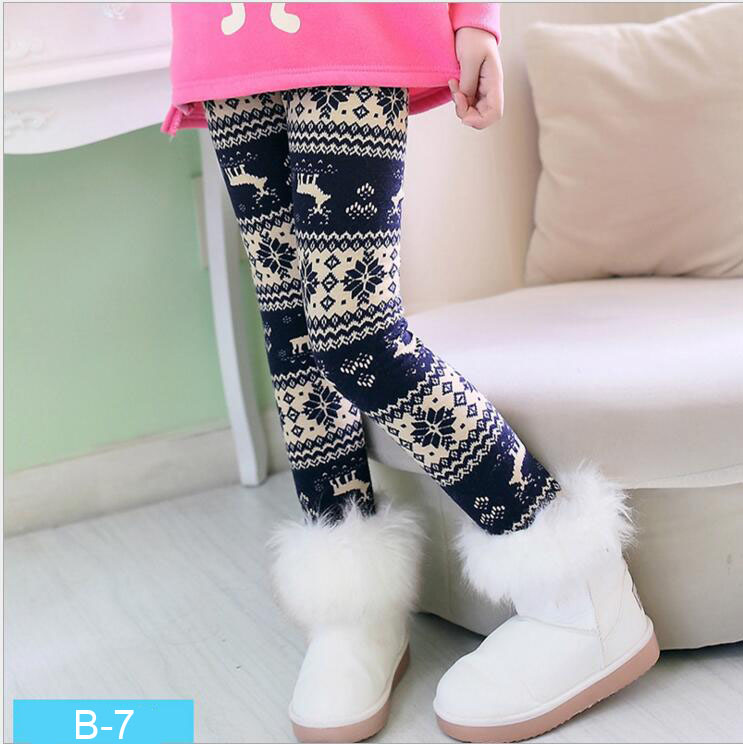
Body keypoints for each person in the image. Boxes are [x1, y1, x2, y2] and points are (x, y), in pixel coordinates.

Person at [162, 4, 659, 742]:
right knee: (293, 332)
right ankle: (353, 607)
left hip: (352, 23)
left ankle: (580, 585)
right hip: (225, 33)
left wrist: (475, 18)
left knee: (356, 334)